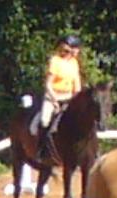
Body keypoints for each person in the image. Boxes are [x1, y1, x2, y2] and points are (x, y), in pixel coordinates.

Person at [34, 34, 84, 162]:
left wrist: (77, 99)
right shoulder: (55, 61)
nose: (78, 51)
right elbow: (48, 84)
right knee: (45, 120)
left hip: (68, 97)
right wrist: (55, 100)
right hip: (53, 95)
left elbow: (77, 85)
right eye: (76, 49)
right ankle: (41, 150)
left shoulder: (74, 63)